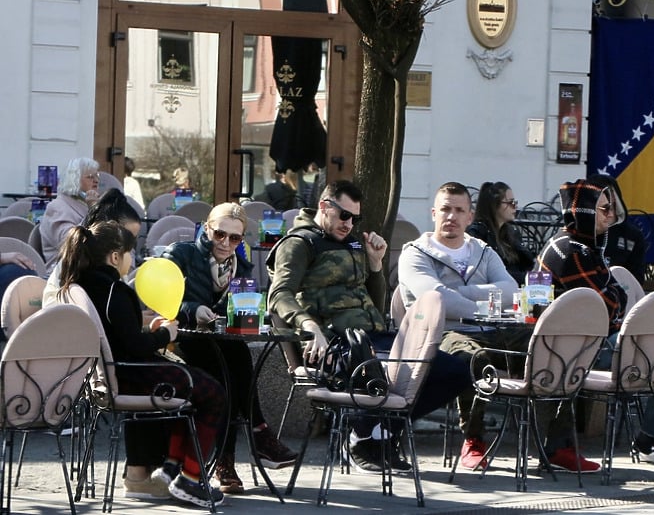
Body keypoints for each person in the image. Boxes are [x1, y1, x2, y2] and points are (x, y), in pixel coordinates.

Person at [267, 180, 470, 474]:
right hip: (336, 343)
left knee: (455, 371)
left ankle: (378, 431)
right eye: (344, 215)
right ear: (324, 206)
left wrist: (375, 266)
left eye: (355, 218)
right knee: (398, 371)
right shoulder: (300, 243)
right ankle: (367, 437)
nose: (349, 224)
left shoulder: (351, 243)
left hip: (374, 336)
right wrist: (309, 325)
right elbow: (279, 294)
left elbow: (371, 301)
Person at [537, 178, 654, 467]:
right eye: (604, 209)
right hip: (581, 346)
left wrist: (615, 299)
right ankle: (651, 439)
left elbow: (615, 297)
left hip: (604, 335)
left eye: (611, 209)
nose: (612, 216)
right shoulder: (569, 251)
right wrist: (615, 299)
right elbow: (607, 304)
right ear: (586, 212)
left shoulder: (590, 247)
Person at [55, 221, 225, 508]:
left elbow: (120, 333)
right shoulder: (114, 291)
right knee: (211, 391)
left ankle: (172, 467)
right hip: (131, 374)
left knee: (192, 383)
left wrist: (146, 327)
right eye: (130, 253)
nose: (133, 260)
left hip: (107, 377)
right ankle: (191, 478)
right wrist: (164, 334)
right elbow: (134, 347)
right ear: (115, 256)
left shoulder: (81, 284)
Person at [396, 182, 563, 471]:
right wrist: (479, 303)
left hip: (491, 329)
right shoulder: (415, 253)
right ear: (433, 213)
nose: (452, 216)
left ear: (470, 217)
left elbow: (511, 290)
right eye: (446, 209)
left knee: (553, 347)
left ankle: (557, 445)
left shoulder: (482, 251)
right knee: (474, 359)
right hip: (438, 333)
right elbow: (436, 299)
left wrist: (463, 294)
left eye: (459, 210)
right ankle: (473, 440)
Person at [162, 202, 297, 494]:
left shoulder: (242, 265)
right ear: (207, 228)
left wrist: (249, 316)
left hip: (221, 342)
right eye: (220, 234)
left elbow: (242, 307)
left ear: (242, 238)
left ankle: (234, 455)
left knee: (236, 359)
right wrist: (193, 308)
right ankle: (252, 440)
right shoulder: (181, 253)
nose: (225, 243)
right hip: (185, 340)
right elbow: (161, 299)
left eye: (234, 238)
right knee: (227, 373)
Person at [40, 157, 101, 274]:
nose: (96, 180)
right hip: (66, 272)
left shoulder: (88, 202)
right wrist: (92, 212)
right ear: (75, 180)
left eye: (97, 176)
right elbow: (70, 243)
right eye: (90, 177)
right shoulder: (57, 207)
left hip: (93, 267)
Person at [466, 181, 534, 285]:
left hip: (516, 289)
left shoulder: (511, 232)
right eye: (510, 203)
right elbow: (485, 273)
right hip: (493, 291)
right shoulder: (478, 233)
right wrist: (527, 278)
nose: (515, 207)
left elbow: (526, 264)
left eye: (515, 203)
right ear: (495, 205)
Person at [586, 174, 647, 283]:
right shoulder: (575, 237)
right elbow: (546, 284)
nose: (608, 215)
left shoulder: (632, 236)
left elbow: (636, 280)